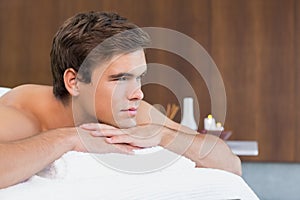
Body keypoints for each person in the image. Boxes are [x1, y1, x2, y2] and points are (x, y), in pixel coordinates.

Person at [0, 11, 241, 189]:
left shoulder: (133, 112)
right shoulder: (22, 114)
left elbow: (231, 164)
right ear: (74, 82)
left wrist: (162, 133)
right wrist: (70, 137)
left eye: (139, 78)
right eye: (121, 79)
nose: (138, 93)